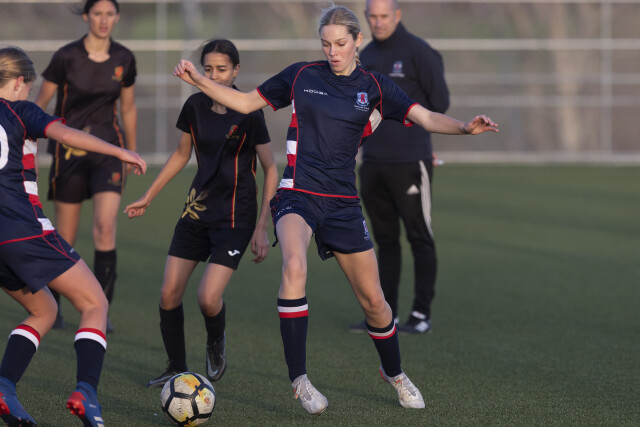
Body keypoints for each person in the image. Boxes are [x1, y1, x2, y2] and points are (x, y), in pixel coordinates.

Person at [173, 4, 498, 415]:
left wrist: (465, 127)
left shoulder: (376, 86)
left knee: (374, 302)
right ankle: (300, 380)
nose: (333, 51)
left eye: (341, 43)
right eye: (326, 44)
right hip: (297, 193)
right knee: (294, 265)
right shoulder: (301, 75)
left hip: (343, 203)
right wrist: (200, 81)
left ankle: (395, 373)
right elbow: (243, 101)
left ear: (358, 41)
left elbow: (427, 117)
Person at [0, 46, 146, 427]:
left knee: (44, 310)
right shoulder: (21, 110)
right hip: (23, 230)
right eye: (27, 88)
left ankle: (4, 387)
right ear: (19, 83)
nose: (28, 94)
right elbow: (67, 135)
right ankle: (87, 392)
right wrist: (118, 151)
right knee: (96, 302)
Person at [124, 39, 278, 388]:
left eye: (222, 69)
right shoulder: (194, 105)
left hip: (236, 218)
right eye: (207, 69)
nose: (214, 75)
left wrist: (262, 227)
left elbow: (271, 168)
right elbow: (182, 154)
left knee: (208, 298)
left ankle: (215, 340)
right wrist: (148, 196)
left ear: (236, 71)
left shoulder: (250, 111)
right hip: (196, 212)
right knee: (168, 294)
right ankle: (176, 368)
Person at [34, 0, 137, 333]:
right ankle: (53, 309)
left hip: (108, 151)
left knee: (105, 228)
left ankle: (100, 311)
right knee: (65, 235)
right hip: (68, 154)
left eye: (109, 14)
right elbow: (40, 105)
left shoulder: (124, 58)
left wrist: (130, 151)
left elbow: (128, 107)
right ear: (86, 16)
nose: (103, 20)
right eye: (97, 13)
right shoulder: (66, 57)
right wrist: (28, 148)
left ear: (117, 17)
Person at [348, 0, 449, 335]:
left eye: (384, 16)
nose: (377, 22)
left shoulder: (419, 52)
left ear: (397, 15)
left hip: (410, 161)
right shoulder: (365, 56)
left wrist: (418, 141)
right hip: (372, 163)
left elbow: (440, 103)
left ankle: (421, 314)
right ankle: (383, 314)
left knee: (419, 237)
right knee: (385, 241)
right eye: (372, 16)